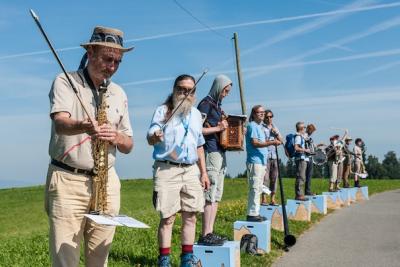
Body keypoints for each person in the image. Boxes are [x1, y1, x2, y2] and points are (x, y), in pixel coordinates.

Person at [44, 26, 134, 267]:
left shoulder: (119, 93)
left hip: (107, 181)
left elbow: (129, 144)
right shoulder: (65, 81)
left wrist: (115, 136)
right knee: (65, 258)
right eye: (107, 58)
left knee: (100, 257)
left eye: (118, 61)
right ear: (91, 52)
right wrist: (83, 125)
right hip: (68, 179)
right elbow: (61, 123)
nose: (112, 66)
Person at [147, 74, 210, 267]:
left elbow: (199, 145)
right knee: (168, 218)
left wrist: (204, 172)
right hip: (167, 169)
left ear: (194, 93)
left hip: (190, 170)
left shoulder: (197, 115)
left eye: (189, 90)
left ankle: (187, 259)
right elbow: (151, 137)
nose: (185, 93)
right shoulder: (163, 111)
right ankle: (164, 260)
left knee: (190, 216)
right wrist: (155, 136)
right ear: (174, 90)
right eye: (181, 89)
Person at [197, 75, 232, 246]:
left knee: (216, 195)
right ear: (219, 87)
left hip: (220, 151)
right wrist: (219, 128)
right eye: (225, 90)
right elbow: (196, 129)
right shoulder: (205, 103)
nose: (226, 94)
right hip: (210, 152)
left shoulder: (218, 106)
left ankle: (210, 231)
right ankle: (205, 234)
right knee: (209, 194)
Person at [246, 105, 280, 221]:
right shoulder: (252, 126)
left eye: (263, 112)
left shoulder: (259, 127)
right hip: (255, 161)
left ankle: (256, 212)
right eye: (259, 112)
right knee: (255, 188)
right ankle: (252, 214)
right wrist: (270, 143)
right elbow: (255, 143)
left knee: (258, 188)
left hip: (261, 162)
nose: (262, 114)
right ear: (254, 114)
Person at [261, 109, 283, 205]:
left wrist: (277, 134)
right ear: (264, 118)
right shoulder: (261, 128)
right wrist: (272, 141)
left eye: (271, 116)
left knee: (274, 178)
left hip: (274, 156)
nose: (269, 118)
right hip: (265, 156)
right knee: (265, 178)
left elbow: (281, 141)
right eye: (267, 117)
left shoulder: (275, 127)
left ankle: (273, 199)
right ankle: (264, 198)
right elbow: (260, 142)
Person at [293, 122, 310, 200]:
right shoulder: (298, 137)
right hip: (300, 159)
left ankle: (301, 194)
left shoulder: (302, 136)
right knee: (301, 177)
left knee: (303, 177)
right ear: (301, 128)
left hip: (304, 158)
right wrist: (305, 150)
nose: (305, 129)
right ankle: (299, 195)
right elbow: (296, 148)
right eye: (304, 127)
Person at [304, 124, 317, 196]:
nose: (312, 132)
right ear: (308, 129)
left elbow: (313, 146)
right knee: (307, 175)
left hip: (310, 157)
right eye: (312, 131)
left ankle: (308, 190)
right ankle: (307, 191)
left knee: (309, 175)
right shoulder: (305, 136)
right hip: (307, 157)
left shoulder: (308, 137)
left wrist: (318, 145)